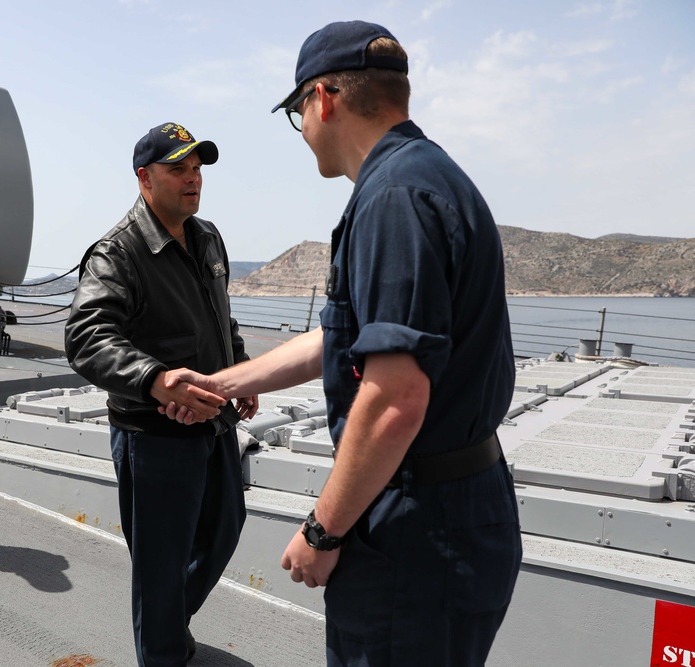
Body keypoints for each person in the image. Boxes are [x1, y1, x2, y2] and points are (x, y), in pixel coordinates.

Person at [160, 21, 522, 667]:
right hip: (456, 509)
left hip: (418, 529)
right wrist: (224, 383)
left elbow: (394, 399)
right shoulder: (427, 177)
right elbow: (340, 336)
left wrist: (322, 528)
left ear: (322, 99)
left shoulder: (393, 199)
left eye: (298, 112)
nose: (302, 131)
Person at [64, 123, 258, 666]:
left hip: (215, 423)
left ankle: (167, 621)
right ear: (145, 178)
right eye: (179, 169)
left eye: (197, 169)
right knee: (160, 565)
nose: (193, 179)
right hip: (155, 437)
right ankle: (163, 648)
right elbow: (86, 336)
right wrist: (155, 378)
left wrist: (239, 368)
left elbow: (220, 315)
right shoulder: (118, 252)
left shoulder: (207, 237)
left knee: (223, 532)